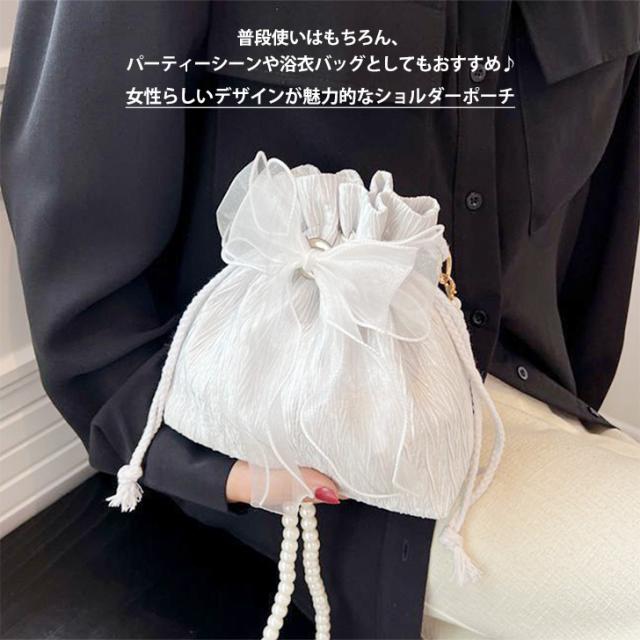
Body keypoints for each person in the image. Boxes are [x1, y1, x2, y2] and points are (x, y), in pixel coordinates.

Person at [1, 1, 639, 638]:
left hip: (516, 416)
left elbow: (600, 234)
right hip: (288, 442)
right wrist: (196, 464)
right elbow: (73, 203)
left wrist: (571, 410)